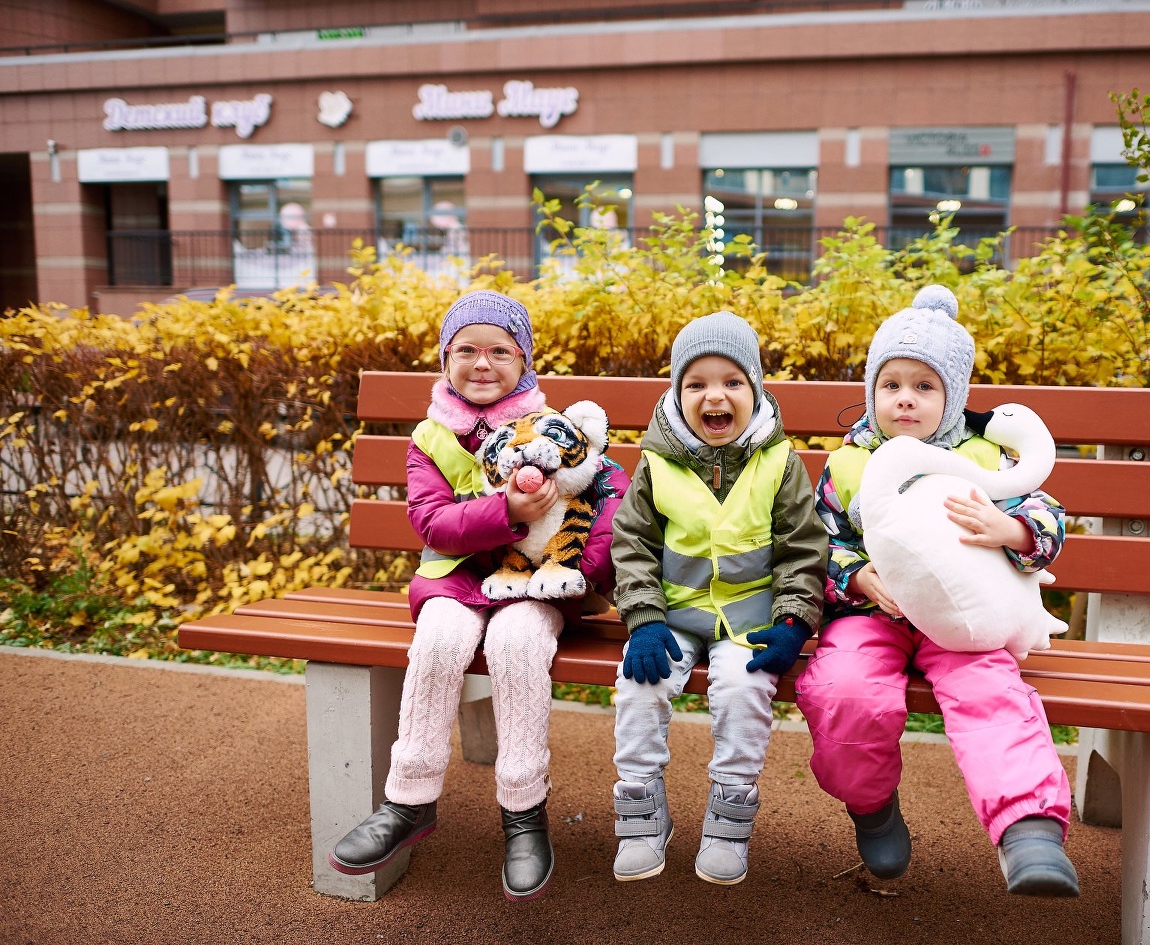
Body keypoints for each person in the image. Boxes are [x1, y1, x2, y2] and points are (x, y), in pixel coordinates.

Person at [328, 290, 628, 902]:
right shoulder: (431, 438)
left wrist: (585, 566)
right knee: (438, 641)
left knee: (518, 645)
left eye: (500, 350)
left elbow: (609, 492)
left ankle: (524, 811)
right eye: (466, 349)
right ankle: (407, 800)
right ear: (445, 361)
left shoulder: (554, 427)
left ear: (524, 362)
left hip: (531, 584)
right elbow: (433, 523)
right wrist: (507, 511)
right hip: (456, 580)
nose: (482, 362)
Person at [794, 285, 1080, 897]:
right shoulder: (849, 465)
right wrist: (852, 575)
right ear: (871, 392)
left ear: (954, 397)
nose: (906, 399)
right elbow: (820, 542)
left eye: (925, 386)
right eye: (891, 384)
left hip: (963, 621)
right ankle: (871, 807)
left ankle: (1028, 829)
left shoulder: (988, 459)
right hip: (876, 614)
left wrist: (1012, 529)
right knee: (844, 691)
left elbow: (1049, 519)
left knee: (990, 692)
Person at [607, 311, 827, 886]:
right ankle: (640, 811)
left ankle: (730, 816)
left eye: (732, 382)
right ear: (677, 395)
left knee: (743, 686)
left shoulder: (779, 462)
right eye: (696, 384)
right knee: (640, 685)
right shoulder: (657, 462)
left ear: (755, 389)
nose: (715, 396)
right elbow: (631, 543)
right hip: (673, 615)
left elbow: (803, 549)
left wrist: (793, 621)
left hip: (750, 616)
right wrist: (644, 620)